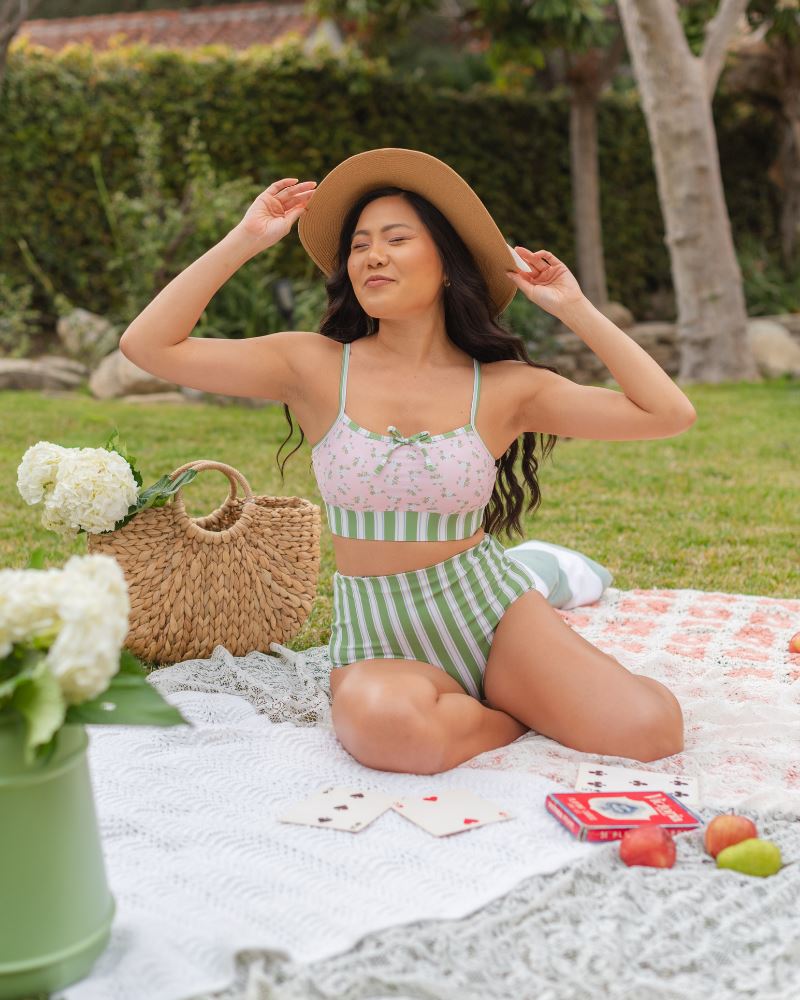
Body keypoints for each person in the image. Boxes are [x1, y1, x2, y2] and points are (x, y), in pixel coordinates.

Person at [119, 147, 696, 777]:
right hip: (377, 631)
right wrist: (245, 239)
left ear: (447, 266)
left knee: (650, 731)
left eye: (396, 238)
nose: (373, 254)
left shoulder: (505, 388)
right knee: (395, 735)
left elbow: (668, 414)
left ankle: (514, 655)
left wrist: (574, 308)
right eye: (360, 243)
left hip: (490, 612)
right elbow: (147, 345)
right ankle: (513, 714)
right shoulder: (313, 366)